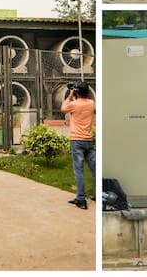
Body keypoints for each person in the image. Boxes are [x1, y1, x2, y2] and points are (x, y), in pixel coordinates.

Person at [61, 81, 96, 210]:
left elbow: (63, 108)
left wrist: (70, 95)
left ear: (76, 92)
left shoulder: (73, 105)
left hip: (77, 140)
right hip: (88, 140)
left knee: (79, 170)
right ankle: (98, 195)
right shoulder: (92, 104)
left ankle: (81, 199)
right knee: (94, 169)